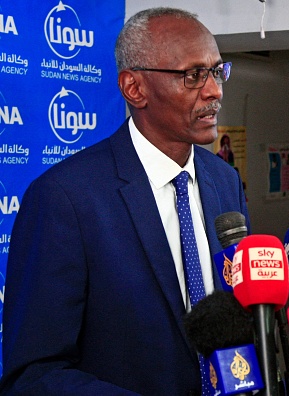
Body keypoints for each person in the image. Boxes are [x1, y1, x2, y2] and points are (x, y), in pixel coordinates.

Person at [0, 7, 249, 395]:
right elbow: (34, 374)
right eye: (193, 75)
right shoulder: (65, 198)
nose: (215, 90)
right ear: (134, 88)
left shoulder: (225, 180)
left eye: (218, 71)